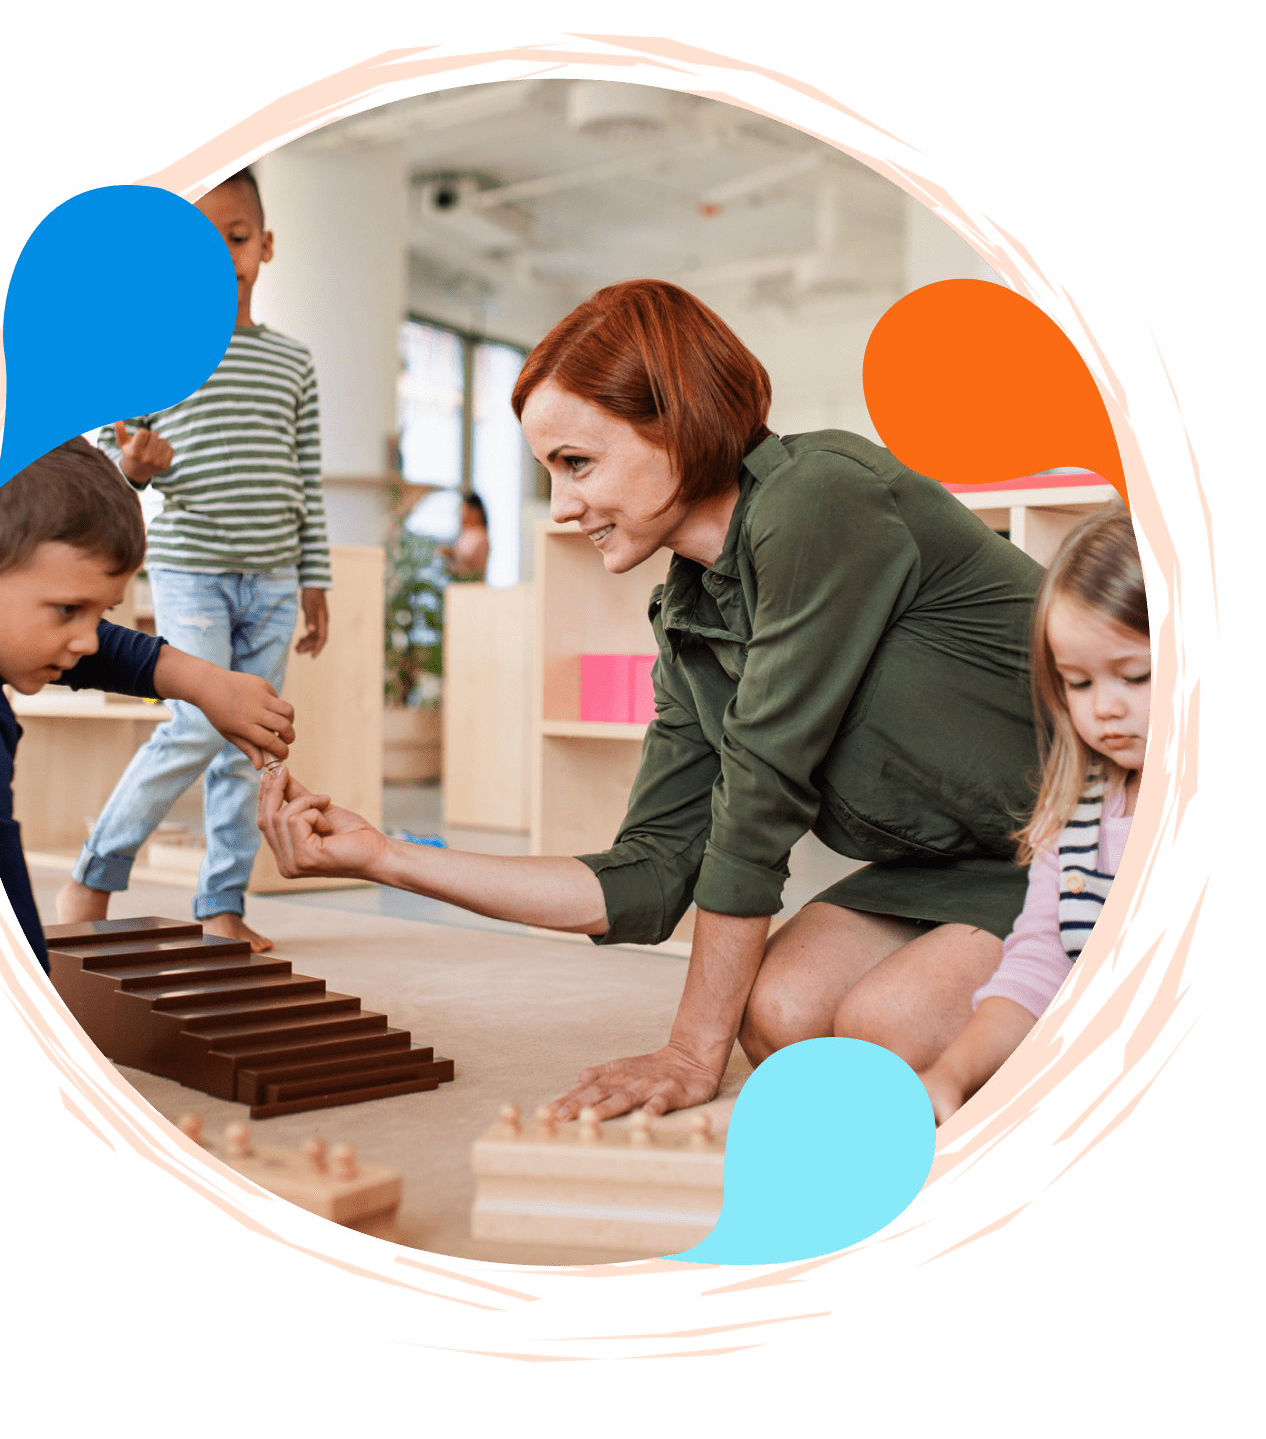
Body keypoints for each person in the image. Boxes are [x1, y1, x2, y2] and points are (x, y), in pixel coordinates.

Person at [259, 279, 1045, 1122]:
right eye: (550, 473)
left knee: (882, 1027)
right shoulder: (689, 613)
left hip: (1082, 845)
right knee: (776, 1016)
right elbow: (649, 875)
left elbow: (759, 801)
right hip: (955, 869)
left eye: (577, 464)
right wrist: (388, 858)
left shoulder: (819, 498)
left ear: (677, 422)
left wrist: (689, 1051)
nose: (561, 508)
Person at [57, 167, 329, 953]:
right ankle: (96, 872)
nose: (221, 256)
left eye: (236, 238)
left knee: (252, 742)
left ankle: (221, 904)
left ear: (265, 245)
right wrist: (136, 465)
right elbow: (114, 466)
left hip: (275, 577)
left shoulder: (293, 362)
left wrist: (315, 577)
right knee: (195, 724)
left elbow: (305, 474)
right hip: (191, 566)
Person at [0, 439, 295, 973]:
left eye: (99, 613)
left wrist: (207, 682)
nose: (89, 641)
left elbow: (106, 652)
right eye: (69, 610)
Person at [919, 504, 1149, 1124]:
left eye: (1136, 675)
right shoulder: (1077, 810)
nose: (1104, 708)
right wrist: (953, 1073)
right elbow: (1041, 962)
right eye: (1078, 683)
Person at [442, 491, 490, 581]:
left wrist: (453, 555)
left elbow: (473, 569)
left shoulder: (481, 537)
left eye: (465, 510)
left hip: (471, 586)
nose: (461, 515)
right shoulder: (465, 535)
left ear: (476, 512)